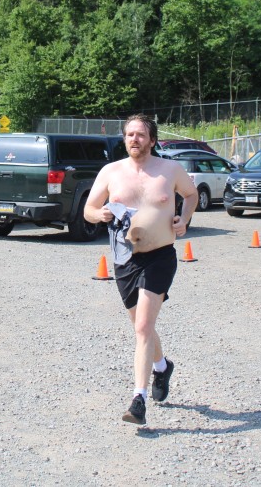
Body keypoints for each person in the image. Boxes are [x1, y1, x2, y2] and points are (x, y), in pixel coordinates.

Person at [84, 114, 198, 425]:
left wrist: (184, 218)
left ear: (152, 140)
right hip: (125, 260)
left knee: (144, 327)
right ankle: (162, 367)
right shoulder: (111, 172)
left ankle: (138, 400)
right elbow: (89, 209)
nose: (134, 139)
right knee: (141, 327)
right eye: (130, 134)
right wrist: (100, 214)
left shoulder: (170, 170)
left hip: (160, 256)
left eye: (141, 134)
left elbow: (191, 195)